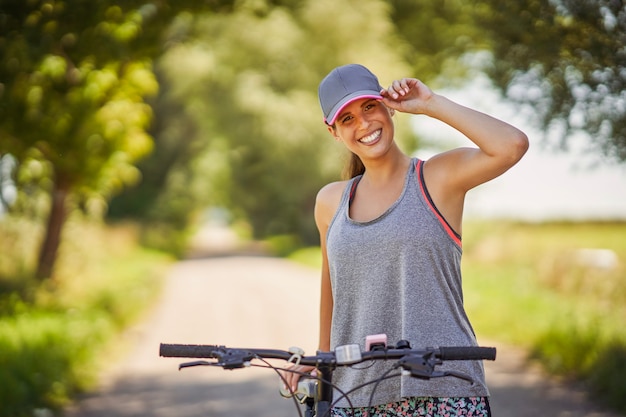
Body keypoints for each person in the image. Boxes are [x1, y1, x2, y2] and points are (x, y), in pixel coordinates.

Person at [283, 64, 529, 416]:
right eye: (347, 119)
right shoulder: (330, 201)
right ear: (333, 131)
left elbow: (511, 145)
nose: (364, 125)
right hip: (356, 395)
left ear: (388, 106)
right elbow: (332, 286)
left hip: (444, 390)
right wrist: (322, 358)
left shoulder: (436, 178)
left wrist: (431, 103)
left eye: (369, 107)